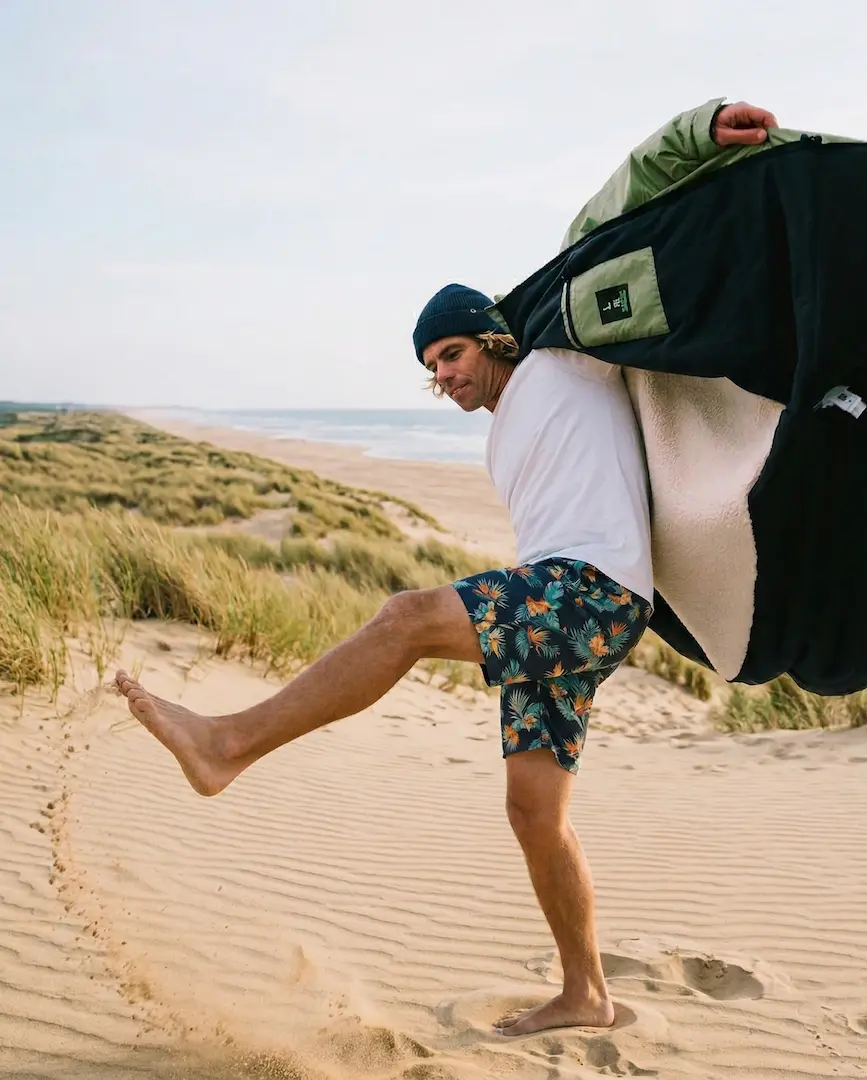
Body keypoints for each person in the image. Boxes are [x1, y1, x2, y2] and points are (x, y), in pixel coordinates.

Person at [114, 98, 778, 1037]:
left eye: (454, 352)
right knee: (534, 810)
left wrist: (698, 131)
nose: (446, 375)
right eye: (432, 366)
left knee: (407, 617)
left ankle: (228, 746)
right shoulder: (504, 437)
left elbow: (607, 219)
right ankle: (588, 993)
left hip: (593, 595)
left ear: (496, 336)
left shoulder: (565, 356)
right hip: (570, 603)